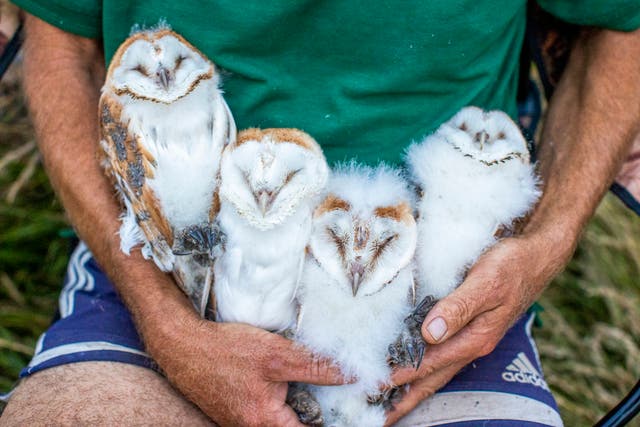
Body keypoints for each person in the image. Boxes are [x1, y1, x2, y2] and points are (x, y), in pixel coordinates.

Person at [2, 1, 639, 426]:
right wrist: (168, 325)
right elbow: (63, 47)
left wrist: (543, 244)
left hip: (443, 275)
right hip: (167, 249)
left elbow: (621, 27)